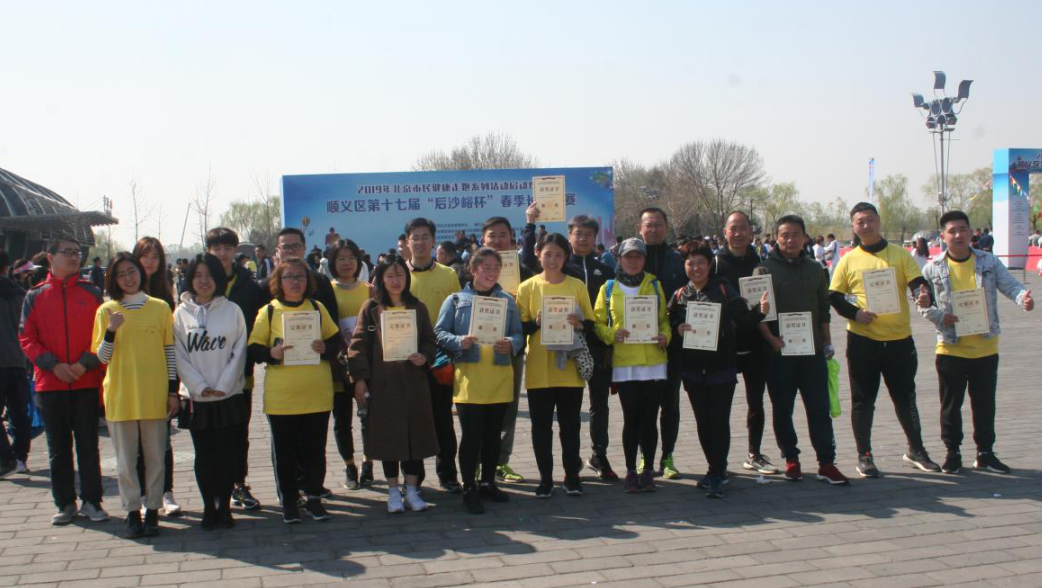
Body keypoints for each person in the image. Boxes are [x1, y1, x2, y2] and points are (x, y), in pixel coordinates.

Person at [916, 210, 1033, 474]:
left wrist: (1022, 299)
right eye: (952, 231)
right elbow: (922, 304)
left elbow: (1010, 285)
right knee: (950, 405)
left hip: (985, 347)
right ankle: (953, 452)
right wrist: (939, 315)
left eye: (963, 229)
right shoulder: (933, 268)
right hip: (950, 347)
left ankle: (985, 453)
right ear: (943, 236)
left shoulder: (988, 261)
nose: (958, 235)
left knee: (984, 404)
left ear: (970, 232)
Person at [828, 202, 939, 477]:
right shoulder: (848, 260)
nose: (866, 225)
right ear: (853, 227)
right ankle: (864, 455)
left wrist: (923, 296)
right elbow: (834, 296)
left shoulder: (900, 254)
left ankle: (916, 449)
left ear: (878, 221)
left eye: (870, 220)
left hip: (899, 341)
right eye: (860, 222)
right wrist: (855, 314)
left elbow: (918, 285)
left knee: (905, 397)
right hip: (862, 342)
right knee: (863, 401)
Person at [19, 237, 108, 525]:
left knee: (88, 446)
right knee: (58, 448)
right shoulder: (35, 295)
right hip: (51, 383)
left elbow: (103, 336)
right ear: (50, 257)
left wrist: (84, 364)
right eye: (66, 252)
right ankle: (65, 503)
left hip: (85, 381)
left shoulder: (92, 293)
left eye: (77, 253)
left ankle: (92, 501)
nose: (73, 257)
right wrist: (53, 365)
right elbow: (26, 338)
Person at [756, 215, 850, 486]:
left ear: (805, 238)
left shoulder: (815, 268)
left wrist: (827, 343)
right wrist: (771, 340)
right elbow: (758, 313)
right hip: (779, 352)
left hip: (812, 351)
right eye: (784, 235)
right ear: (776, 238)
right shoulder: (763, 270)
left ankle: (826, 462)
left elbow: (823, 309)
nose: (790, 240)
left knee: (819, 408)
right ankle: (791, 458)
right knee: (782, 408)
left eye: (796, 234)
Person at [671, 240, 769, 497]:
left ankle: (716, 472)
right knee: (703, 422)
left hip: (721, 368)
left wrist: (760, 312)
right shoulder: (680, 295)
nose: (696, 268)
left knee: (719, 421)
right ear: (684, 266)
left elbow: (742, 320)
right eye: (690, 263)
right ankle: (715, 468)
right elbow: (668, 327)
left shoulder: (724, 289)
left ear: (709, 265)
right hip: (692, 370)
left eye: (701, 263)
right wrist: (676, 329)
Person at [248, 258, 340, 524]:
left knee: (315, 451)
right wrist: (271, 353)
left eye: (300, 276)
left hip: (316, 394)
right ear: (279, 281)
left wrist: (325, 348)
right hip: (282, 397)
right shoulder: (269, 311)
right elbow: (253, 349)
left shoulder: (317, 308)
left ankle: (313, 498)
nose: (296, 282)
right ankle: (289, 501)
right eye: (289, 277)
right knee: (285, 453)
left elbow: (336, 341)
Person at [93, 253, 179, 538]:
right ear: (113, 280)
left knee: (156, 457)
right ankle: (132, 511)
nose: (128, 278)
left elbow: (169, 352)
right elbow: (102, 357)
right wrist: (111, 331)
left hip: (154, 393)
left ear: (140, 272)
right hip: (121, 395)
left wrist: (172, 390)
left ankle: (153, 509)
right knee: (126, 460)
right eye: (121, 274)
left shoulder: (160, 308)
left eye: (132, 271)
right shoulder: (106, 310)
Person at [435, 248, 524, 513]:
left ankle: (488, 483)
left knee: (493, 435)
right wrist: (458, 341)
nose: (491, 272)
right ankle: (469, 487)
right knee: (472, 436)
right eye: (486, 267)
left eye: (496, 268)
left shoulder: (507, 300)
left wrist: (511, 343)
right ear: (473, 270)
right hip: (469, 378)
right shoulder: (455, 300)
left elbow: (518, 333)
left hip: (499, 376)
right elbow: (439, 332)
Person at [348, 256, 439, 513]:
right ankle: (392, 491)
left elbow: (430, 340)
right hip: (383, 385)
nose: (395, 281)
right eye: (389, 276)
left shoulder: (417, 307)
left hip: (413, 384)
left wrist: (425, 356)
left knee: (413, 439)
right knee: (389, 439)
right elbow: (358, 346)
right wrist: (359, 380)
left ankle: (411, 490)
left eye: (400, 275)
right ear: (381, 279)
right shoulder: (371, 308)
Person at [516, 233, 596, 498]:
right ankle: (545, 480)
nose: (552, 260)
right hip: (539, 369)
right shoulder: (527, 287)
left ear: (566, 257)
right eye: (548, 254)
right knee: (541, 428)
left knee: (570, 426)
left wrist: (579, 324)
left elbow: (591, 323)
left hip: (569, 370)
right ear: (537, 254)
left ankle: (572, 478)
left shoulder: (576, 286)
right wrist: (535, 323)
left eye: (558, 255)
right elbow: (519, 327)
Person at [172, 254, 248, 530]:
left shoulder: (232, 310)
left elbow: (239, 350)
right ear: (190, 279)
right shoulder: (180, 314)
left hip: (228, 396)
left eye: (210, 275)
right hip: (197, 399)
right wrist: (200, 387)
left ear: (219, 278)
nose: (204, 281)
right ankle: (208, 507)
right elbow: (179, 355)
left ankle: (224, 507)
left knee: (226, 455)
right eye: (198, 275)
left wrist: (223, 385)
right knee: (204, 455)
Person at [593, 238, 670, 493]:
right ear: (620, 259)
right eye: (628, 256)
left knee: (649, 419)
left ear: (644, 259)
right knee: (631, 418)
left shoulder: (654, 284)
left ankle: (647, 470)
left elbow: (664, 320)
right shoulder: (608, 288)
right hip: (625, 363)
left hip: (653, 362)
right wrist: (610, 334)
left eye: (638, 256)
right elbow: (597, 322)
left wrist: (665, 336)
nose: (633, 261)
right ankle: (630, 471)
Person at [714, 211, 778, 475]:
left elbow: (770, 305)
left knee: (756, 402)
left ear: (751, 232)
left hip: (755, 343)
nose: (738, 233)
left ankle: (754, 453)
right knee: (720, 407)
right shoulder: (716, 264)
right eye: (733, 228)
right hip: (725, 345)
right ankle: (719, 461)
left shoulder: (761, 262)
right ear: (725, 232)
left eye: (743, 228)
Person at [205, 228, 264, 511]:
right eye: (216, 248)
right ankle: (217, 489)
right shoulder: (200, 284)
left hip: (242, 373)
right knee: (211, 436)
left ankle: (239, 486)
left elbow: (258, 327)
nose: (222, 253)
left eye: (227, 248)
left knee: (239, 433)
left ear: (235, 250)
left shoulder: (250, 287)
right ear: (208, 251)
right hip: (206, 376)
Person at [403, 218, 463, 492]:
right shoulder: (397, 274)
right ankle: (413, 478)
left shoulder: (448, 275)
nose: (420, 242)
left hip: (440, 360)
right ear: (407, 241)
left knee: (443, 420)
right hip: (406, 360)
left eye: (425, 237)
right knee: (410, 421)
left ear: (433, 241)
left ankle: (448, 474)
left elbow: (458, 317)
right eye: (415, 237)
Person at [131, 237, 180, 516]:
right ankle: (143, 495)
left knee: (162, 440)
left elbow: (170, 343)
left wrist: (174, 386)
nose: (149, 262)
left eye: (155, 257)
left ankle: (166, 492)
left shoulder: (164, 297)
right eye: (144, 256)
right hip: (133, 377)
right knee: (138, 442)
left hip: (161, 375)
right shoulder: (124, 295)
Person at [637, 207, 686, 479]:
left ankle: (667, 457)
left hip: (672, 344)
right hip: (638, 345)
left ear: (666, 227)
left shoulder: (678, 261)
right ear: (640, 228)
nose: (653, 229)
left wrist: (677, 327)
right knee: (644, 406)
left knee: (670, 405)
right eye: (648, 225)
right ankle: (645, 457)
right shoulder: (630, 259)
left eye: (658, 225)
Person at [327, 239, 375, 490]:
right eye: (340, 258)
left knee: (369, 416)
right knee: (341, 419)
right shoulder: (326, 291)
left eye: (351, 258)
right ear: (332, 262)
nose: (347, 263)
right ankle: (349, 466)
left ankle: (368, 463)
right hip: (338, 366)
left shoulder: (370, 290)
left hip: (366, 364)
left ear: (358, 261)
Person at [0, 249, 30, 480]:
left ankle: (7, 457)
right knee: (19, 413)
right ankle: (20, 458)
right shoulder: (21, 293)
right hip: (19, 359)